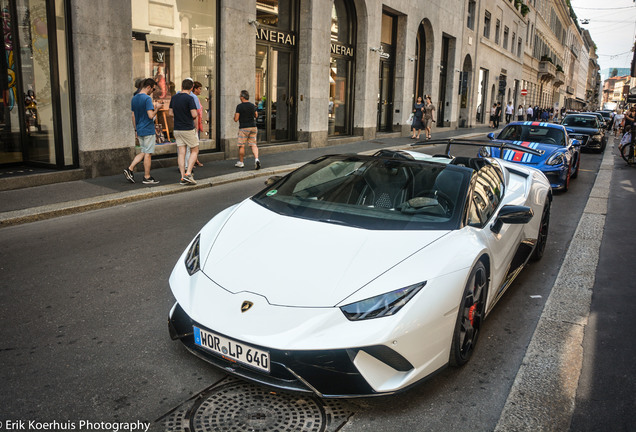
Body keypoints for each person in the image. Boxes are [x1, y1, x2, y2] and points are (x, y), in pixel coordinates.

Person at [124, 78, 162, 185]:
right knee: (148, 154)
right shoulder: (147, 99)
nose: (152, 92)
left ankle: (130, 169)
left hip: (140, 129)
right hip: (148, 129)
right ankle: (147, 177)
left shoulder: (134, 98)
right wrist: (157, 108)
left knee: (144, 151)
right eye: (153, 89)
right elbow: (150, 115)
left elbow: (133, 115)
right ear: (149, 87)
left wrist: (135, 129)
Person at [169, 78, 199, 185]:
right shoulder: (190, 98)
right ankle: (188, 173)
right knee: (194, 150)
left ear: (182, 86)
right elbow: (194, 114)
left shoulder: (174, 98)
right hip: (187, 128)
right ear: (191, 88)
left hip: (177, 129)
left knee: (181, 153)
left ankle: (182, 177)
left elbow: (170, 113)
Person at [234, 90, 260, 169]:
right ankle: (256, 159)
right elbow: (256, 115)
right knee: (253, 145)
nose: (239, 97)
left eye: (240, 96)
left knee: (241, 145)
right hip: (253, 127)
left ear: (242, 97)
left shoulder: (239, 106)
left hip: (244, 128)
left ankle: (241, 162)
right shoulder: (252, 105)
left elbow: (236, 119)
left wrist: (234, 116)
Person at [184, 79, 204, 169]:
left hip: (186, 125)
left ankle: (191, 162)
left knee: (187, 147)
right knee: (193, 145)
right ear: (194, 88)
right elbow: (196, 114)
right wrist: (197, 126)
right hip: (192, 124)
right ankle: (191, 163)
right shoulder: (193, 98)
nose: (200, 90)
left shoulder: (192, 97)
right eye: (199, 88)